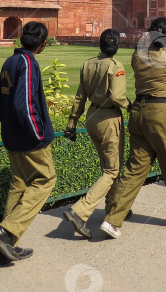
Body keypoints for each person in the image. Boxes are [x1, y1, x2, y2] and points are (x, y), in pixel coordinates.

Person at [100, 17, 166, 239]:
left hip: (138, 112)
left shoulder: (138, 56)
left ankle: (112, 219)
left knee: (135, 167)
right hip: (161, 113)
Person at [0, 21, 56, 263]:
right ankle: (6, 232)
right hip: (29, 139)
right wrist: (37, 133)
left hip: (12, 136)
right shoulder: (28, 63)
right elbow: (24, 104)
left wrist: (10, 126)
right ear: (43, 44)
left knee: (19, 184)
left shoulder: (10, 61)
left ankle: (4, 248)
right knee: (45, 180)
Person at [62, 29, 131, 239]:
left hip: (92, 116)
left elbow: (79, 96)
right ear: (116, 47)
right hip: (109, 118)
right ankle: (80, 211)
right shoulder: (115, 66)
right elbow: (118, 97)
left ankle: (113, 208)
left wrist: (71, 123)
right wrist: (132, 107)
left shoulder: (88, 64)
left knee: (108, 167)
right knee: (112, 170)